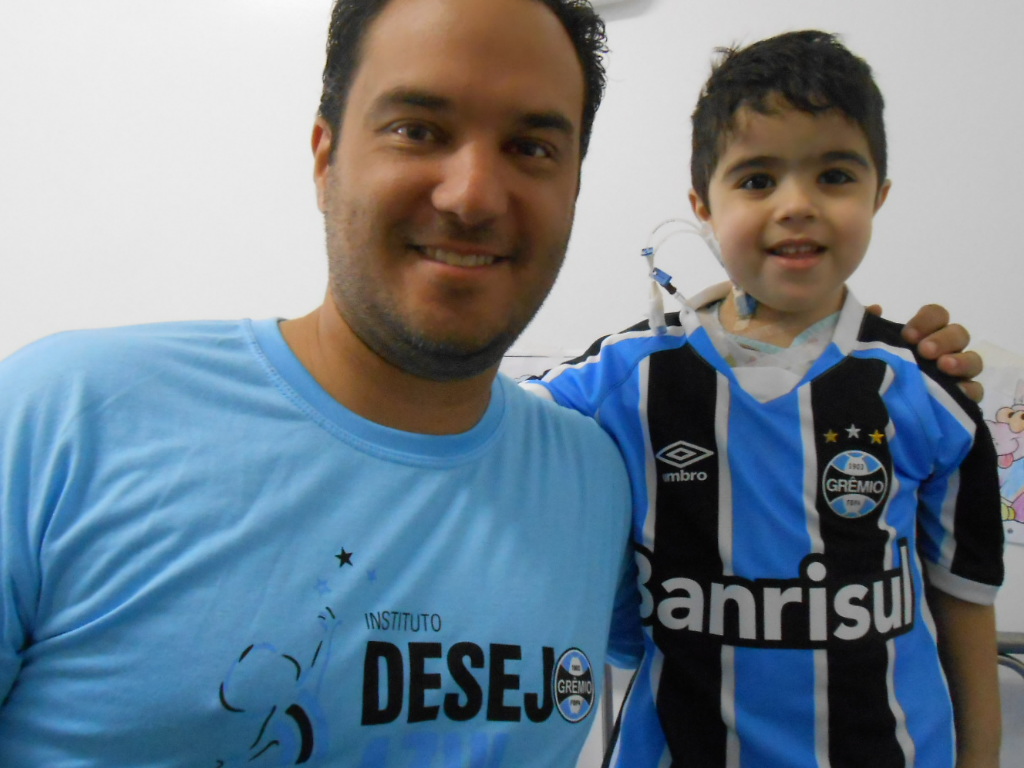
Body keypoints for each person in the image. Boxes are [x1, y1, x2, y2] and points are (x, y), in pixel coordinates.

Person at [0, 1, 981, 765]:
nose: (472, 194)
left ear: (573, 189)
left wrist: (827, 329)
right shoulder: (56, 422)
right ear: (324, 153)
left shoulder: (592, 475)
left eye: (530, 146)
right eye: (418, 128)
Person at [525, 30, 1003, 768]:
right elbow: (483, 429)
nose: (797, 206)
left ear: (879, 195)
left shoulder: (927, 388)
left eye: (835, 175)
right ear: (702, 207)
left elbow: (965, 609)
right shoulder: (624, 380)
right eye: (755, 180)